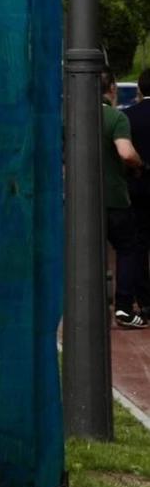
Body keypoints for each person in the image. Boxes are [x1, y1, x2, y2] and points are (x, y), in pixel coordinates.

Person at [102, 67, 145, 327]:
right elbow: (126, 153)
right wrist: (139, 166)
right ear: (112, 89)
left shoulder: (69, 118)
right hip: (115, 198)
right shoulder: (115, 119)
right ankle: (124, 307)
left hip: (78, 204)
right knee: (129, 248)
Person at [125, 68, 150, 321]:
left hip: (139, 186)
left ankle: (144, 300)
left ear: (140, 90)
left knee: (140, 244)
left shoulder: (129, 117)